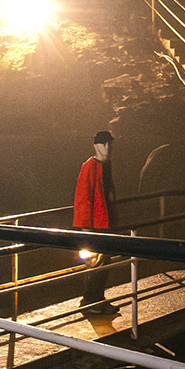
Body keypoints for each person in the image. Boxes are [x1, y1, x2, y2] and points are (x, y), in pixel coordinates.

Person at [73, 128, 117, 315]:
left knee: (104, 262)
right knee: (96, 263)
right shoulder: (89, 166)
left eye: (109, 143)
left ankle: (98, 299)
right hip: (94, 225)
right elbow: (83, 196)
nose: (107, 147)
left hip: (105, 222)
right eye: (104, 143)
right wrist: (85, 226)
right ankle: (89, 302)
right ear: (97, 145)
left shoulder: (105, 164)